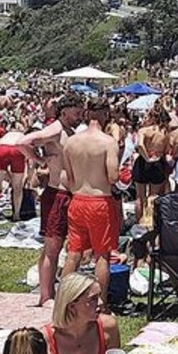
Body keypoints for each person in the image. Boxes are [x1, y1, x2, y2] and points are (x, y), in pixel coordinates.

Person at [20, 94, 84, 305]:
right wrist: (39, 160)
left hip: (68, 193)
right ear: (64, 112)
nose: (79, 116)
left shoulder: (69, 131)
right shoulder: (55, 130)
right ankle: (46, 295)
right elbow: (24, 141)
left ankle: (51, 291)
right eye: (76, 113)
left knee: (64, 245)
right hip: (57, 193)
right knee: (52, 245)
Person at [61, 98, 121, 306]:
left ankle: (64, 299)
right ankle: (101, 302)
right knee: (102, 255)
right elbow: (113, 177)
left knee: (74, 253)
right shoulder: (107, 142)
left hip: (77, 199)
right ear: (105, 114)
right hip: (99, 200)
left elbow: (68, 178)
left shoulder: (71, 142)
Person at [43, 272, 120, 354]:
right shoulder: (46, 339)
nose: (100, 302)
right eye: (93, 299)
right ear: (72, 306)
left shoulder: (108, 327)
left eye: (99, 296)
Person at [133, 106, 172, 222]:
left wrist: (146, 158)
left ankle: (138, 223)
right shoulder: (165, 133)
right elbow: (166, 150)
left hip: (142, 162)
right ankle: (148, 222)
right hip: (157, 162)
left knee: (140, 197)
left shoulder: (143, 130)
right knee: (153, 196)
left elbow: (140, 145)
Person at [0, 128, 28, 224]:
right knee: (17, 187)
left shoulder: (5, 136)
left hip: (2, 148)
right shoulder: (23, 136)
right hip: (18, 149)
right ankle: (16, 215)